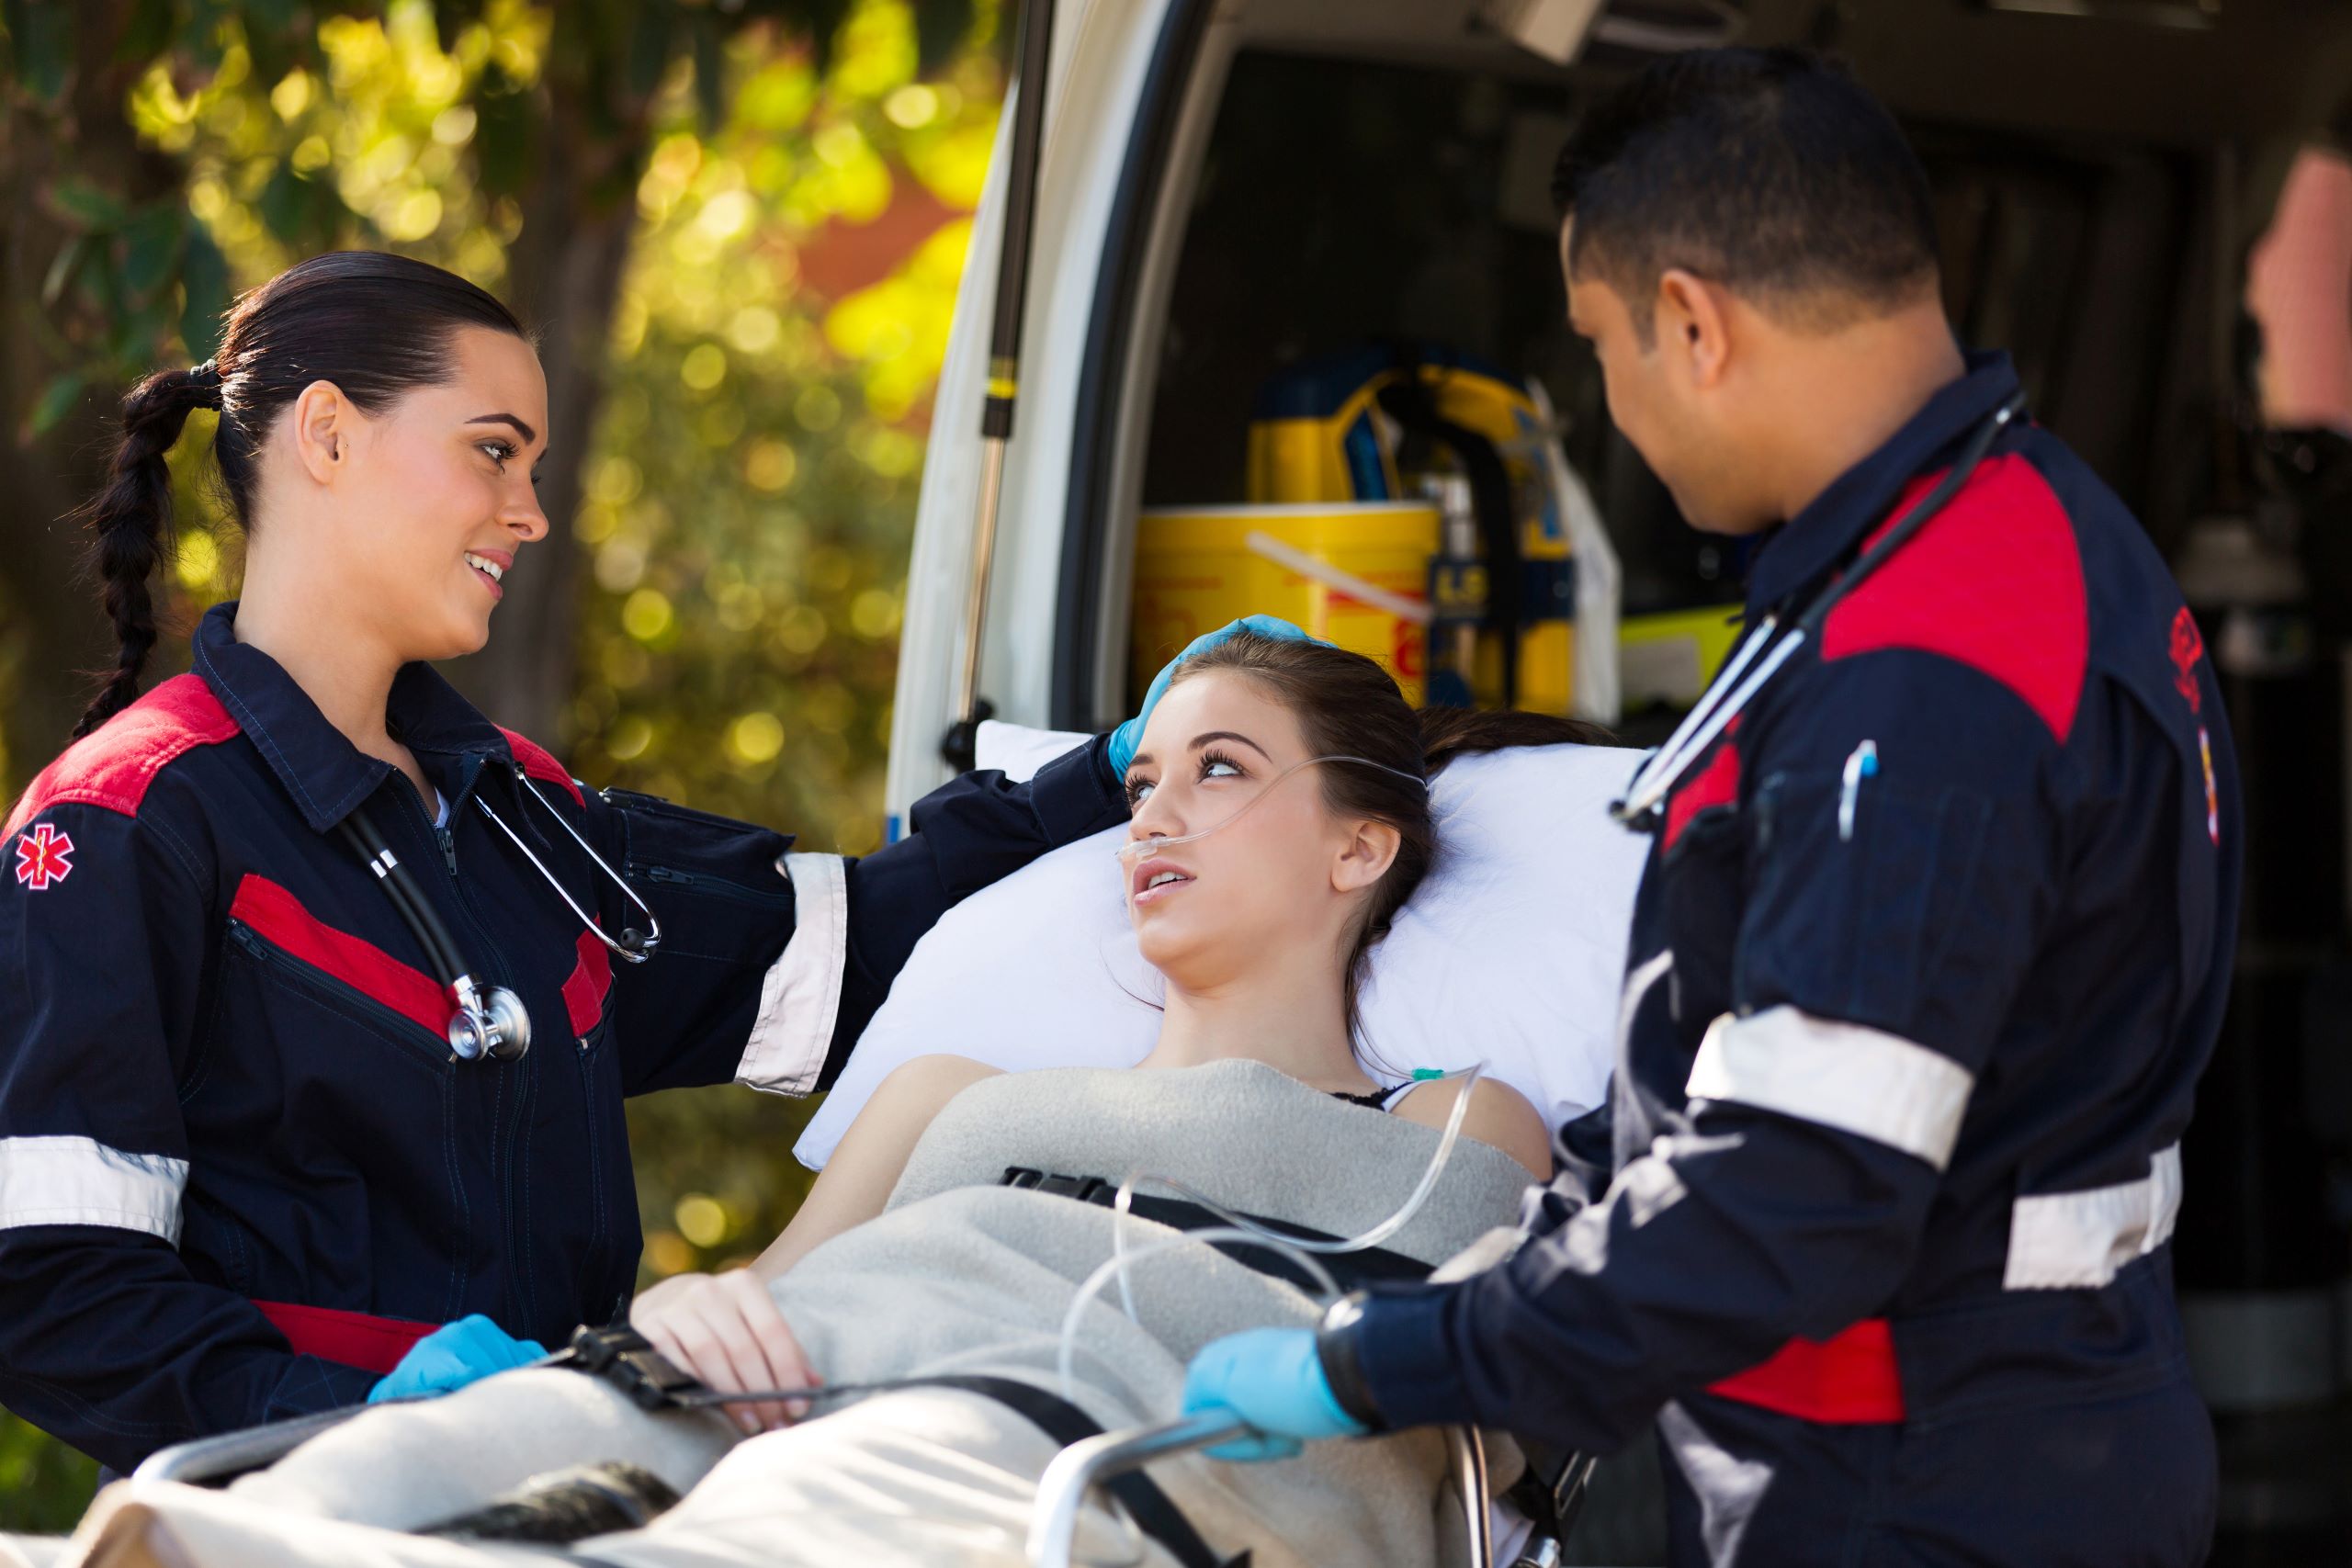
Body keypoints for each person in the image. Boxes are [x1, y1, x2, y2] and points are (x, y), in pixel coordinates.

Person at [1182, 48, 2242, 1568]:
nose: (1608, 398)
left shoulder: (1918, 679)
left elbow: (1797, 1196)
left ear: (1693, 321)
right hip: (2010, 1433)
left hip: (1911, 1488)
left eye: (1601, 343)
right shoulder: (2028, 533)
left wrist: (1386, 1360)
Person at [0, 250, 1219, 1473]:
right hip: (287, 1528)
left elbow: (849, 950)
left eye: (533, 468)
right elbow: (50, 1292)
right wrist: (355, 1418)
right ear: (326, 434)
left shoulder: (522, 814)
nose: (530, 511)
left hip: (566, 1502)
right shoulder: (124, 821)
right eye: (493, 450)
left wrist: (1120, 769)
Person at [28, 632, 1578, 1568]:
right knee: (396, 1477)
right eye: (1141, 780)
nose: (1155, 812)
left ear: (1360, 848)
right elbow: (764, 1296)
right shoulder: (952, 1089)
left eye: (1221, 771)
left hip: (1017, 1432)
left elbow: (1451, 1371)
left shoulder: (1452, 1118)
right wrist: (696, 1311)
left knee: (807, 1510)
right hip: (759, 1389)